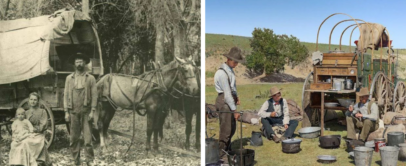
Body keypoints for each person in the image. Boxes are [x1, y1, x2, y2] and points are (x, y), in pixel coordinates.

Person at [64, 52, 97, 166]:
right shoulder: (69, 78)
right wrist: (66, 112)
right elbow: (66, 95)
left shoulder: (90, 78)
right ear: (74, 64)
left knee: (88, 139)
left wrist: (93, 111)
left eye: (81, 61)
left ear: (84, 63)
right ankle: (75, 159)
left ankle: (89, 160)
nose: (79, 63)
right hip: (73, 111)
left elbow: (94, 95)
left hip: (86, 111)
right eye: (77, 61)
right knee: (74, 138)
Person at [214, 47, 244, 163]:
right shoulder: (221, 73)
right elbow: (226, 95)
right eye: (234, 61)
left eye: (237, 62)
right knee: (226, 130)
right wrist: (235, 110)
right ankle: (221, 154)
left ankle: (228, 149)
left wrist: (236, 96)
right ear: (228, 59)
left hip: (229, 99)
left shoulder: (230, 70)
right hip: (224, 101)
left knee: (232, 128)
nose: (236, 64)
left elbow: (232, 88)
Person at [9, 92, 51, 166]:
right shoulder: (26, 112)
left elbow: (43, 125)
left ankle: (29, 161)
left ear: (38, 101)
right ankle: (18, 161)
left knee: (25, 142)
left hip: (37, 134)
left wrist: (33, 130)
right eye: (31, 99)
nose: (33, 101)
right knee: (15, 143)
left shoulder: (42, 111)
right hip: (26, 134)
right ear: (29, 100)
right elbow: (21, 123)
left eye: (35, 100)